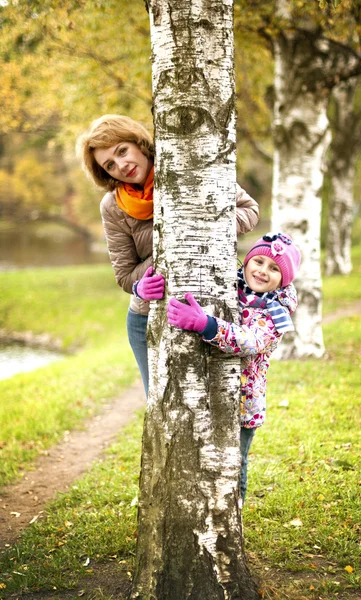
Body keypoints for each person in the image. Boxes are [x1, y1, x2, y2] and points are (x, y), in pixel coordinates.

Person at [76, 114, 260, 397]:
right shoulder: (112, 206)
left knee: (226, 400)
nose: (121, 166)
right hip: (147, 318)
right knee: (162, 404)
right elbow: (125, 275)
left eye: (122, 151)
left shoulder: (184, 168)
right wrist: (140, 285)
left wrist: (210, 231)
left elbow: (249, 209)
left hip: (214, 308)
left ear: (138, 143)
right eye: (109, 165)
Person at [167, 232, 301, 501]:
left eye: (274, 269)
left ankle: (234, 510)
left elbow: (250, 341)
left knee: (234, 461)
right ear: (247, 261)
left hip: (243, 402)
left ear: (283, 280)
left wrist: (207, 324)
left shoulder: (275, 313)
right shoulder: (231, 285)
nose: (263, 271)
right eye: (259, 262)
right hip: (210, 390)